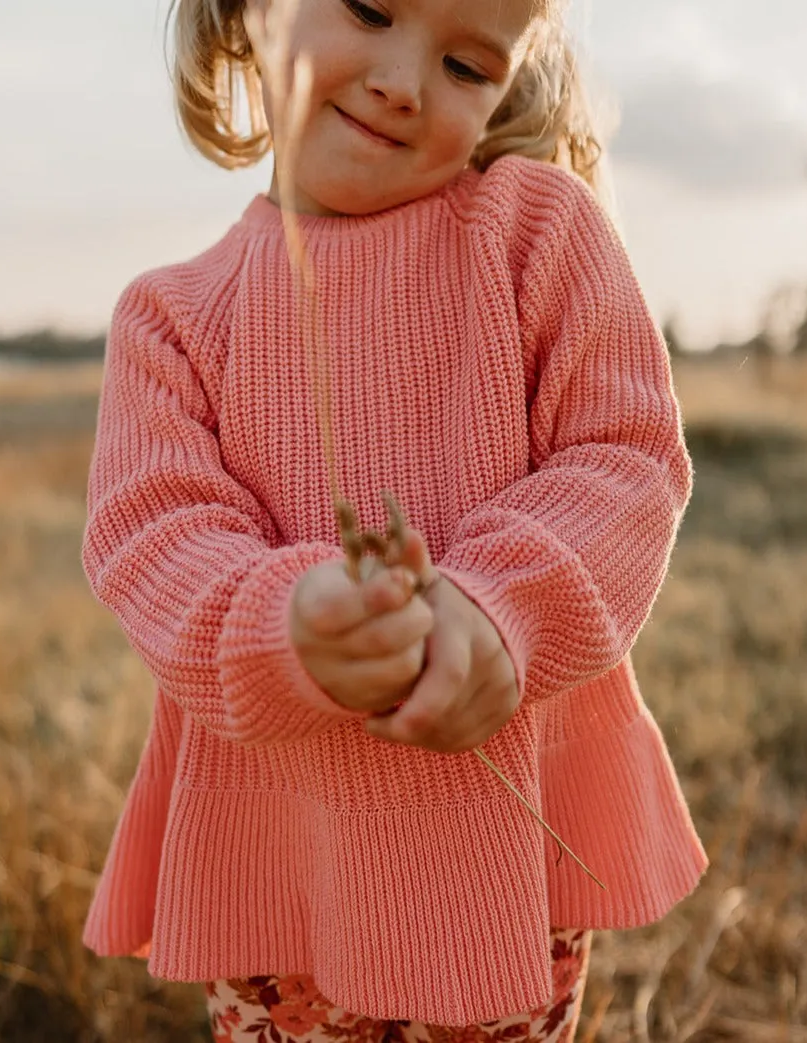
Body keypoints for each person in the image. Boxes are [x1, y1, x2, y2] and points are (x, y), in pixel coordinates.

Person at [80, 0, 708, 1039]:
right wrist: (285, 621)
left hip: (494, 874)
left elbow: (625, 456)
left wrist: (500, 604)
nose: (405, 82)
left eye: (466, 66)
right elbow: (154, 535)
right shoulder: (173, 320)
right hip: (275, 872)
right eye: (370, 8)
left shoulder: (536, 235)